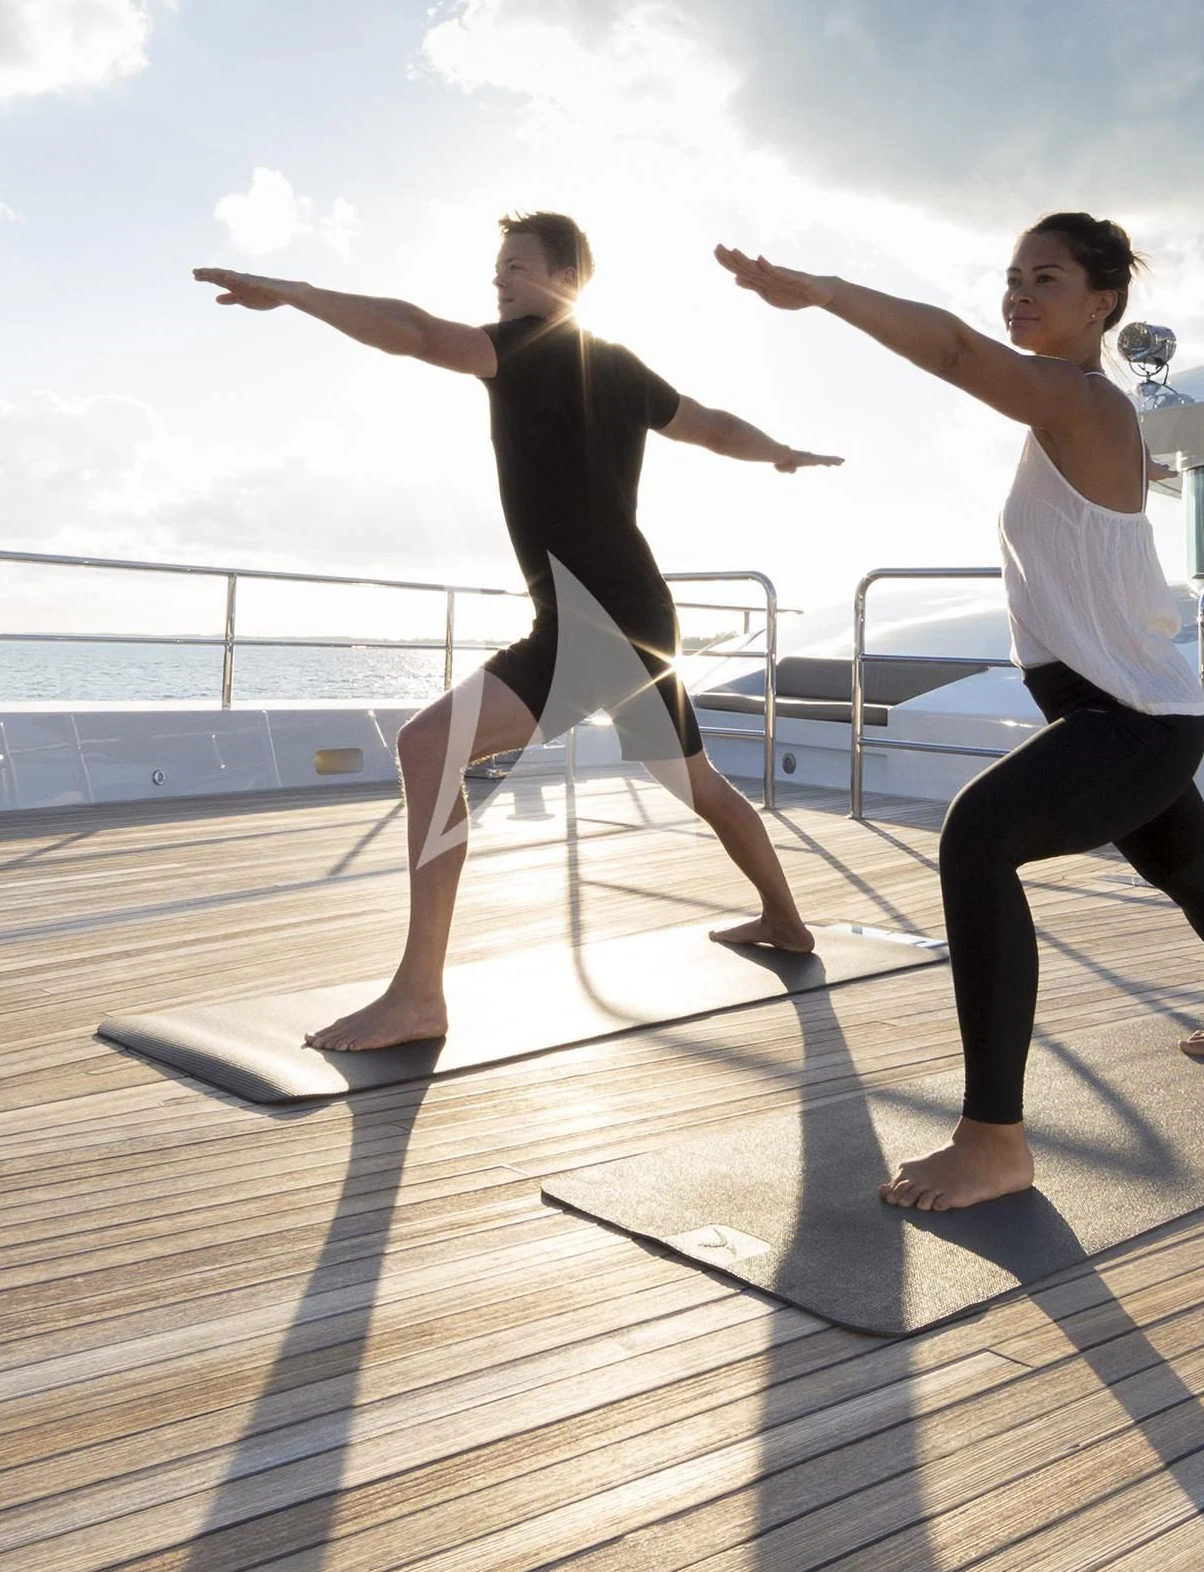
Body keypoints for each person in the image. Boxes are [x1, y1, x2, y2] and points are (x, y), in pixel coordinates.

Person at [716, 215, 1204, 1210]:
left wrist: (822, 289)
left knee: (977, 836)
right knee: (1193, 871)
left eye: (1047, 279)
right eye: (1013, 277)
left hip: (1126, 718)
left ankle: (994, 1141)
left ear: (1102, 304)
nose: (1021, 293)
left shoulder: (1079, 399)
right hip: (1142, 712)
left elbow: (952, 348)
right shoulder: (1078, 415)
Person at [198, 210, 843, 1051]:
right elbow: (714, 427)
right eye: (497, 268)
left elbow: (416, 332)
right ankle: (786, 921)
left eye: (516, 267)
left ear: (565, 280)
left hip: (597, 619)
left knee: (429, 747)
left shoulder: (526, 350)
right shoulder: (617, 365)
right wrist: (779, 452)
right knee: (697, 784)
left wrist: (299, 292)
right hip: (633, 612)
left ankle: (418, 994)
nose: (499, 282)